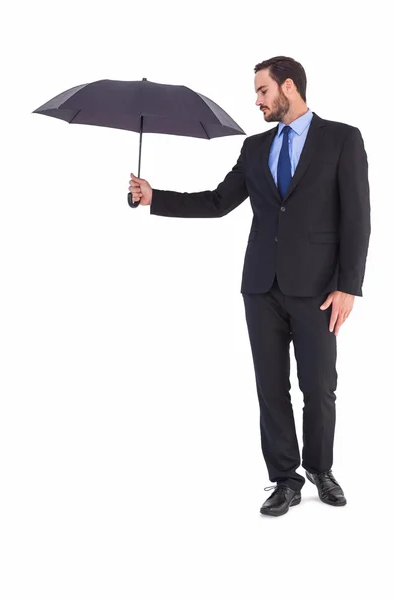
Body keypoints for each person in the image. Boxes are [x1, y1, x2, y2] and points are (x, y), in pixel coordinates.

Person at [128, 56, 371, 517]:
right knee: (269, 387)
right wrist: (156, 197)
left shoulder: (342, 138)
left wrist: (349, 285)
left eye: (262, 91)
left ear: (289, 87)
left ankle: (321, 468)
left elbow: (357, 216)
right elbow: (220, 202)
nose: (257, 100)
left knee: (319, 386)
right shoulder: (256, 148)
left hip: (319, 287)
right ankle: (284, 478)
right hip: (261, 286)